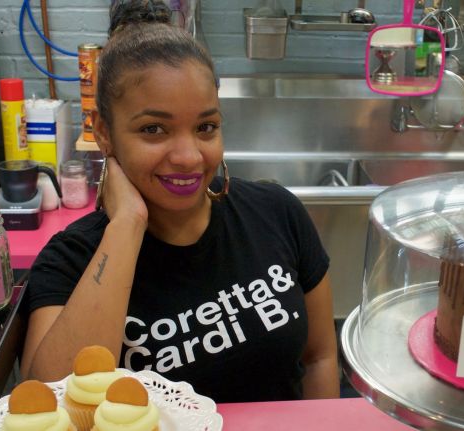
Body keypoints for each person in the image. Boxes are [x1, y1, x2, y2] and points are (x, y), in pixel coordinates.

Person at [20, 0, 339, 402]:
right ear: (104, 132)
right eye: (154, 129)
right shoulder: (70, 261)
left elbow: (320, 358)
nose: (189, 157)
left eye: (206, 127)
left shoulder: (278, 212)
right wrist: (126, 225)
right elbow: (52, 406)